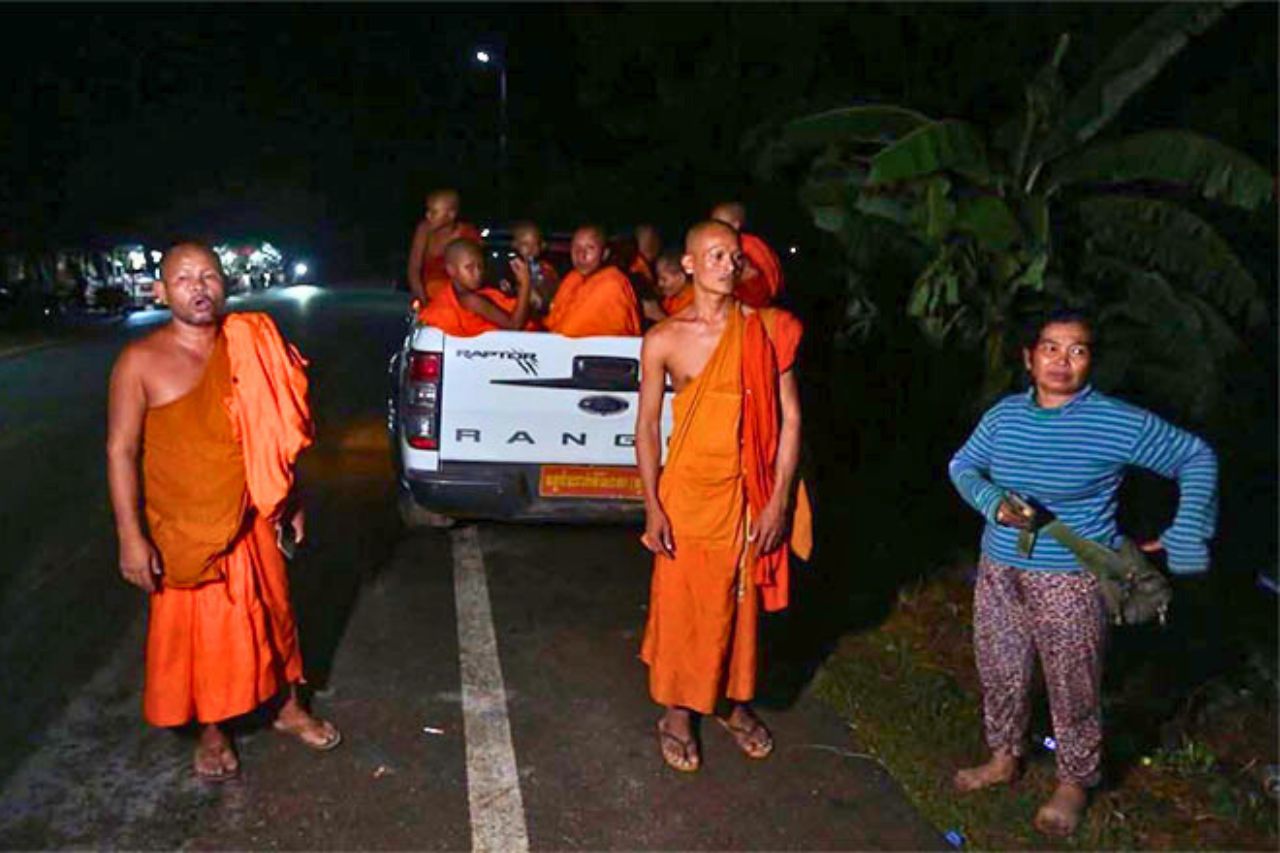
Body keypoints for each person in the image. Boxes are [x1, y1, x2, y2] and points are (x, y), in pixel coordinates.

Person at [948, 308, 1218, 836]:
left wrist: (1186, 529)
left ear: (1092, 360)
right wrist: (991, 502)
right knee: (1000, 669)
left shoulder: (1115, 421)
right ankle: (1004, 756)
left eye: (1078, 350)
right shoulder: (1004, 416)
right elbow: (962, 465)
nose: (1062, 361)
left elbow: (1196, 456)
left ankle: (1074, 782)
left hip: (1069, 578)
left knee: (1073, 686)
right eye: (1050, 347)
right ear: (1029, 357)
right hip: (999, 567)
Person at [106, 242, 341, 782]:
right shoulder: (139, 361)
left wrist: (292, 500)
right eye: (184, 278)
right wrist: (129, 536)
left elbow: (275, 433)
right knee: (204, 636)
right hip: (186, 528)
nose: (199, 286)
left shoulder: (250, 343)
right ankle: (213, 730)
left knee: (274, 613)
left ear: (225, 283)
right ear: (161, 290)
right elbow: (120, 451)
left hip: (252, 516)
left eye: (209, 275)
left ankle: (287, 708)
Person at [635, 220, 812, 773]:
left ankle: (734, 704)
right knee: (684, 604)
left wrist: (779, 499)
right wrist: (653, 505)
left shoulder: (765, 330)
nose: (727, 265)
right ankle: (678, 712)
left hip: (746, 493)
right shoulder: (664, 338)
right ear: (688, 264)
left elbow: (790, 418)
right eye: (714, 255)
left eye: (734, 257)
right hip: (687, 494)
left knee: (741, 606)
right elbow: (644, 427)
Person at [418, 238, 536, 336]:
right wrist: (525, 283)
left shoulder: (461, 293)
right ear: (451, 270)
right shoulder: (471, 300)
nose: (478, 273)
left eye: (480, 267)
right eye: (469, 268)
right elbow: (514, 325)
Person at [543, 224, 641, 337]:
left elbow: (569, 331)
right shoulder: (573, 277)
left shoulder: (612, 284)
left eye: (590, 248)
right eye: (576, 248)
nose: (581, 255)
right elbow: (551, 324)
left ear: (605, 254)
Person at [407, 188, 483, 304]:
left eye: (434, 212)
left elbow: (474, 276)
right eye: (428, 211)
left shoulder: (467, 234)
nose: (428, 216)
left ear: (451, 215)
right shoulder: (424, 229)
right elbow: (414, 270)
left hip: (457, 296)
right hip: (426, 293)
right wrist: (424, 301)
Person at [709, 201, 784, 308]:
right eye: (712, 224)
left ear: (736, 225)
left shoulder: (741, 248)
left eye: (720, 224)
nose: (714, 229)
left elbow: (755, 279)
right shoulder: (752, 241)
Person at [510, 220, 560, 315]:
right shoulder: (509, 269)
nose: (530, 249)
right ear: (515, 244)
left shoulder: (547, 269)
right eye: (525, 244)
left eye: (535, 244)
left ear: (542, 246)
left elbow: (555, 296)